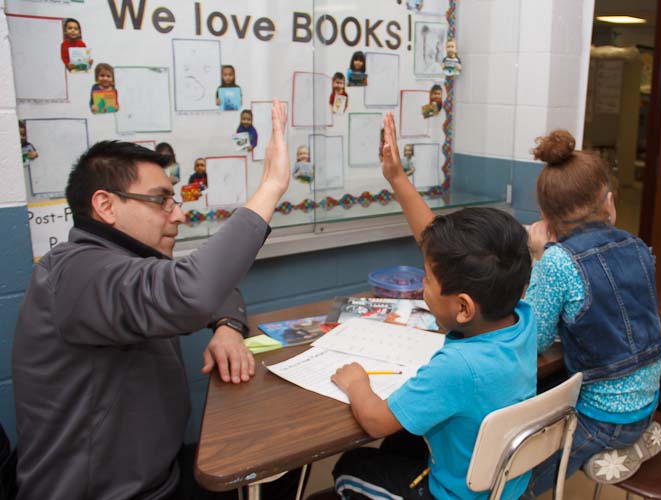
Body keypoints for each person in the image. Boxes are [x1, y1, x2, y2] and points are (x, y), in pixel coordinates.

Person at [12, 100, 306, 500]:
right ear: (106, 205)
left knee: (276, 456)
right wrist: (271, 184)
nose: (178, 215)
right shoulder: (80, 273)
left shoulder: (127, 261)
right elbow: (193, 290)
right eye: (161, 200)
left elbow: (210, 288)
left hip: (157, 476)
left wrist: (227, 328)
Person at [329, 112, 537, 500]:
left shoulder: (457, 369)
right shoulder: (523, 319)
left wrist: (358, 384)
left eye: (427, 279)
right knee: (401, 444)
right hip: (507, 486)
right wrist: (396, 177)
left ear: (463, 308)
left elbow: (375, 420)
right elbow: (434, 243)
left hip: (453, 494)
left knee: (349, 467)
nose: (422, 284)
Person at [522, 130, 661, 496]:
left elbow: (535, 339)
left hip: (604, 418)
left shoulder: (558, 261)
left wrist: (539, 256)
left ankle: (614, 443)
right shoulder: (638, 246)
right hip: (650, 401)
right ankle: (633, 440)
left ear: (545, 218)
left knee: (516, 480)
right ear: (610, 203)